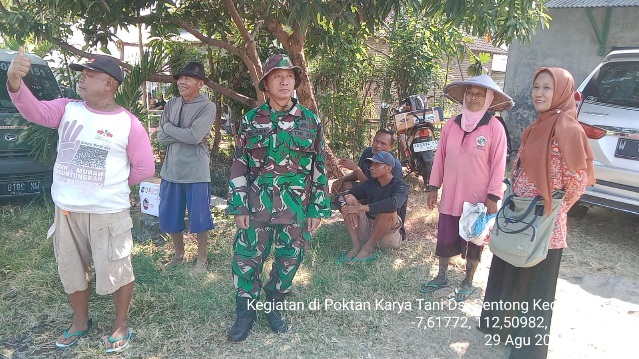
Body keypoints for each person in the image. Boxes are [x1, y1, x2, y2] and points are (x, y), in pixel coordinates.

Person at [7, 48, 155, 354]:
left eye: (90, 75)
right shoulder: (67, 109)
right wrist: (14, 84)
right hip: (67, 212)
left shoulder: (128, 123)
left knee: (118, 269)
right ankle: (80, 321)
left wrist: (108, 186)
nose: (82, 80)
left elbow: (145, 168)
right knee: (71, 270)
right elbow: (34, 111)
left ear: (110, 85)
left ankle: (121, 324)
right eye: (83, 75)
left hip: (108, 213)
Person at [478, 67, 594, 359]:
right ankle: (500, 329)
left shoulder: (569, 130)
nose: (539, 93)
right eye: (536, 87)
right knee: (510, 268)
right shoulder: (537, 125)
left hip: (545, 223)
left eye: (547, 88)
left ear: (562, 93)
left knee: (535, 285)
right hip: (519, 214)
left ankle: (526, 348)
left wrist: (554, 211)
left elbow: (577, 182)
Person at [226, 53, 331, 342]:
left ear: (295, 81)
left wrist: (316, 210)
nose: (284, 80)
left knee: (289, 261)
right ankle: (245, 314)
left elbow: (318, 167)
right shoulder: (250, 120)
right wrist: (239, 203)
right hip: (257, 206)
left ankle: (274, 307)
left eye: (289, 76)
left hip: (295, 208)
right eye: (277, 76)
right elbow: (239, 164)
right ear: (266, 84)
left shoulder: (310, 122)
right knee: (247, 260)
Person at [420, 74, 513, 302]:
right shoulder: (452, 124)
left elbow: (498, 164)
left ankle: (468, 281)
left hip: (477, 199)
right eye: (470, 93)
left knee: (474, 238)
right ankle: (441, 275)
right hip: (451, 194)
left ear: (489, 99)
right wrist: (433, 186)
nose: (473, 97)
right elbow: (440, 157)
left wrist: (493, 196)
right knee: (445, 234)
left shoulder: (494, 127)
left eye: (479, 94)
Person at [156, 62, 216, 273]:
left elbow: (195, 136)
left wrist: (170, 128)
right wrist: (185, 134)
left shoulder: (207, 106)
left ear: (200, 83)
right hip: (171, 170)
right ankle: (179, 255)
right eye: (180, 78)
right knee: (171, 215)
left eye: (188, 78)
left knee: (200, 217)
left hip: (196, 171)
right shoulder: (172, 103)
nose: (181, 81)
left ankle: (202, 259)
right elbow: (160, 138)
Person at [336, 151, 409, 263]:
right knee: (349, 200)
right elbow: (342, 195)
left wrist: (360, 208)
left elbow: (393, 204)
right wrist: (347, 205)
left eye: (377, 165)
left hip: (389, 235)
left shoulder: (400, 186)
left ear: (388, 168)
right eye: (371, 164)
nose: (371, 168)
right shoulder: (370, 183)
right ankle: (356, 245)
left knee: (388, 210)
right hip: (368, 229)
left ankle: (368, 248)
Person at [330, 128, 403, 193]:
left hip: (381, 198)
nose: (378, 145)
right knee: (345, 186)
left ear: (391, 147)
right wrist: (342, 179)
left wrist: (356, 169)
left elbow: (376, 191)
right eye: (376, 141)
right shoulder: (368, 152)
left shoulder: (395, 167)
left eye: (383, 144)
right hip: (367, 190)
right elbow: (358, 174)